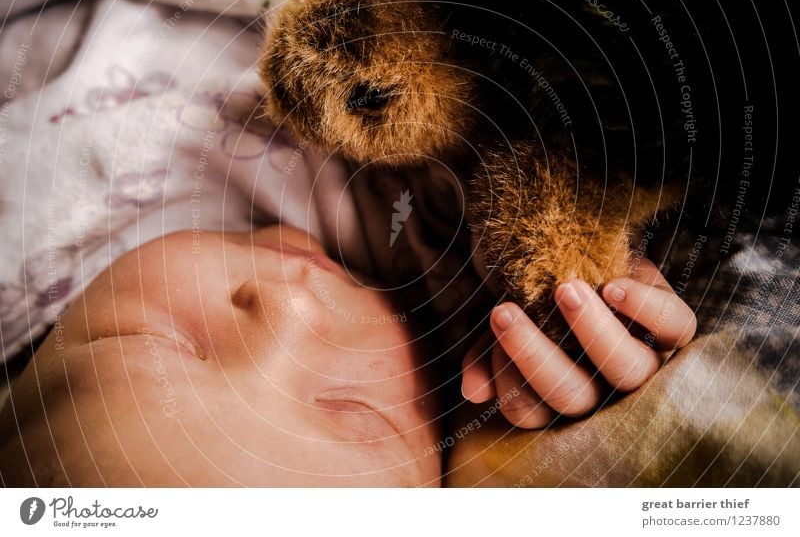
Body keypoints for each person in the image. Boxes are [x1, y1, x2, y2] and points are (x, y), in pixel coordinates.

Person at [0, 222, 696, 487]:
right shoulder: (468, 347)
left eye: (145, 346)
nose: (288, 307)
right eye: (357, 417)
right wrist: (599, 313)